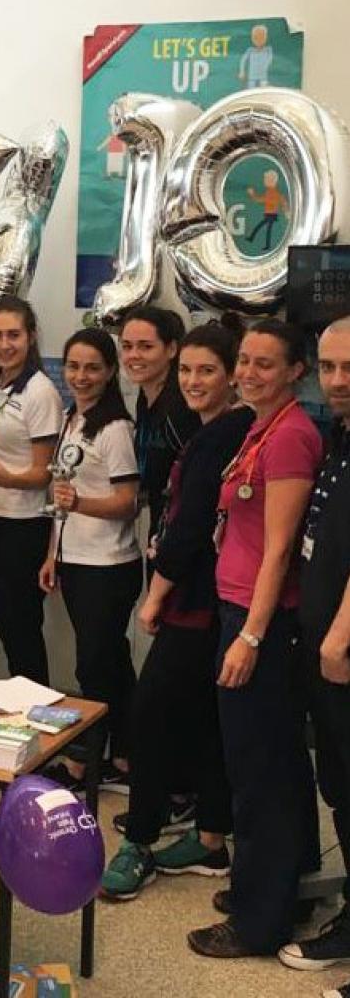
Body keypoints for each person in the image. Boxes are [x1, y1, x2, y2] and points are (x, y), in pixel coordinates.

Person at [100, 321, 253, 900]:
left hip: (196, 601)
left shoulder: (222, 435)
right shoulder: (215, 429)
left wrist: (155, 595)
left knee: (149, 716)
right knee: (205, 719)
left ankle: (139, 840)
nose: (192, 381)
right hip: (210, 597)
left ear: (232, 375)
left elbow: (190, 529)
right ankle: (211, 837)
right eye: (186, 370)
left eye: (206, 371)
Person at [187, 319, 322, 958]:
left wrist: (251, 637)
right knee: (279, 763)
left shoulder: (291, 436)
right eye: (243, 360)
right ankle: (286, 886)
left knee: (258, 774)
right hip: (241, 610)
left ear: (295, 371)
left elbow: (279, 550)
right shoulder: (261, 427)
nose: (247, 373)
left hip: (258, 622)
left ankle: (258, 920)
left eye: (264, 364)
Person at [278, 318, 350, 984]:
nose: (337, 380)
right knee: (339, 786)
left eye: (349, 367)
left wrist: (338, 636)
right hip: (322, 643)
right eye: (328, 367)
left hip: (341, 651)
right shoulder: (339, 436)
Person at [39, 328, 142, 793]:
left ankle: (85, 764)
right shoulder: (72, 418)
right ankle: (124, 754)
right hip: (76, 559)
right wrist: (52, 554)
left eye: (92, 368)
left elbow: (127, 501)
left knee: (94, 666)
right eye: (73, 366)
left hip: (109, 564)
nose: (81, 376)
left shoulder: (115, 428)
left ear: (110, 372)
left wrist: (80, 503)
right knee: (111, 662)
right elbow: (62, 493)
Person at [0, 296, 62, 683]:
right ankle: (21, 704)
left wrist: (3, 478)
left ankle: (37, 707)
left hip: (22, 526)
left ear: (31, 337)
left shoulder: (40, 392)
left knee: (21, 631)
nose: (4, 344)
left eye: (13, 335)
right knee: (8, 628)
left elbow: (43, 474)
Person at [119, 306, 200, 546]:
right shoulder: (145, 398)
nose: (134, 355)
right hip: (159, 527)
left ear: (172, 349)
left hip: (185, 534)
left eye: (146, 347)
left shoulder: (183, 407)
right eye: (127, 346)